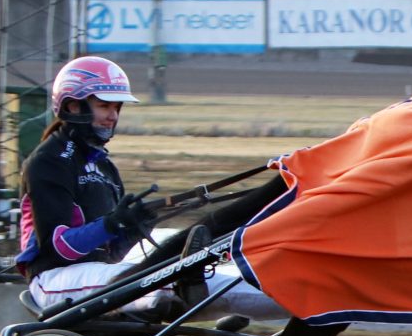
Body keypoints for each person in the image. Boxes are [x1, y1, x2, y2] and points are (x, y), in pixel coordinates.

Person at [16, 55, 284, 321]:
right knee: (165, 279)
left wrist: (132, 230)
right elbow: (58, 248)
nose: (112, 116)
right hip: (54, 281)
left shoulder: (105, 168)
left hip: (97, 275)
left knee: (214, 283)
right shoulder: (48, 161)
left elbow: (113, 254)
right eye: (104, 106)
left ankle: (302, 303)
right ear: (73, 106)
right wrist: (110, 225)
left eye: (117, 108)